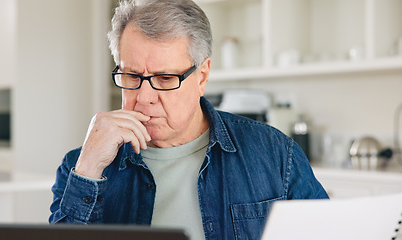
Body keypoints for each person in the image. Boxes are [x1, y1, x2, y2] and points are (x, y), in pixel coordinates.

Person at [49, 0, 329, 239]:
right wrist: (87, 170)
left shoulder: (277, 155)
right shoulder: (81, 167)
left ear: (202, 76)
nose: (144, 97)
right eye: (132, 76)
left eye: (165, 78)